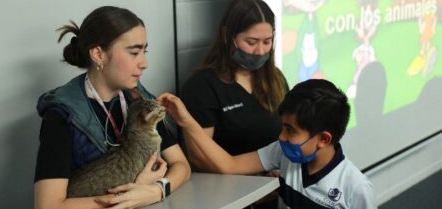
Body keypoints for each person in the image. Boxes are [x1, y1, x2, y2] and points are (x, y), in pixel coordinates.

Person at [34, 6, 190, 209]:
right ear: (99, 54)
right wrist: (129, 196)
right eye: (134, 52)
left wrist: (156, 190)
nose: (144, 63)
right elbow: (48, 206)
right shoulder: (62, 114)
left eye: (145, 51)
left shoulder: (138, 98)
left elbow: (182, 166)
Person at [160, 79, 377, 208]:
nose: (281, 136)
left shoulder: (355, 188)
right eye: (283, 127)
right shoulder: (282, 152)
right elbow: (228, 165)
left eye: (291, 131)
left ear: (323, 139)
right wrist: (186, 121)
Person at [180, 0, 288, 207]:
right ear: (228, 36)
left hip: (276, 193)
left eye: (267, 42)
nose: (260, 51)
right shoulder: (202, 86)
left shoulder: (275, 79)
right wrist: (255, 180)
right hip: (232, 198)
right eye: (251, 42)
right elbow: (199, 159)